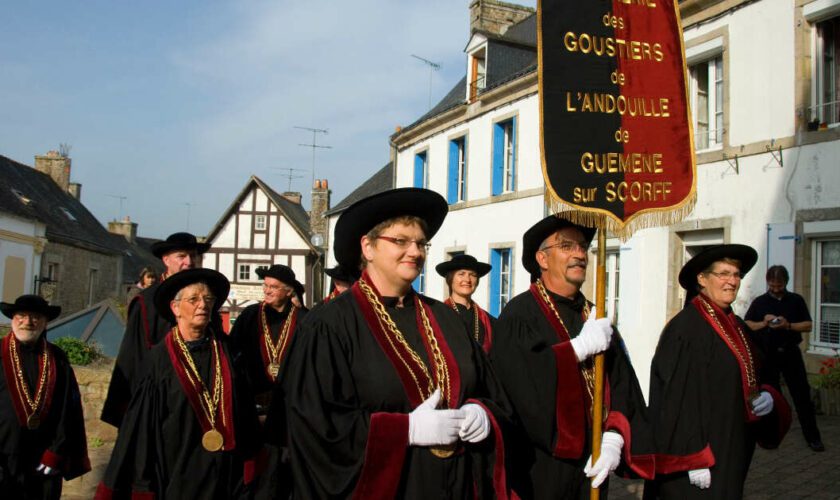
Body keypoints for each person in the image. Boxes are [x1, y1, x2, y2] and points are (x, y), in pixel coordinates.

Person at [276, 187, 515, 498]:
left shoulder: (445, 318)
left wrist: (482, 413)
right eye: (401, 241)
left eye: (421, 243)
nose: (415, 252)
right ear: (368, 247)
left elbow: (492, 391)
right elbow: (314, 427)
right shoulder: (328, 324)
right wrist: (406, 430)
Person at [490, 215, 654, 499]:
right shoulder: (520, 316)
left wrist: (615, 436)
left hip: (594, 459)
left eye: (582, 247)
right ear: (542, 258)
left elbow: (621, 381)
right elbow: (521, 389)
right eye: (567, 246)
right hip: (541, 465)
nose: (579, 254)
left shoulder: (594, 315)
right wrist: (574, 351)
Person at [95, 269, 261, 499]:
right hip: (176, 469)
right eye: (193, 299)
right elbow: (142, 428)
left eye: (208, 299)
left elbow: (244, 409)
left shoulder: (226, 351)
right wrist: (144, 483)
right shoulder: (159, 360)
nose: (202, 305)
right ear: (175, 308)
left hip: (225, 472)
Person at [644, 245, 791, 499]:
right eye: (723, 274)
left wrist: (767, 394)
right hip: (697, 455)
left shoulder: (736, 325)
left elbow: (761, 369)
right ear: (702, 279)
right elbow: (675, 400)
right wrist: (692, 456)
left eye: (736, 275)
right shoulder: (686, 328)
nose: (732, 281)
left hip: (731, 443)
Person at [101, 232, 211, 427]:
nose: (189, 262)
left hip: (200, 401)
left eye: (193, 256)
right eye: (181, 256)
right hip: (158, 399)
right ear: (166, 259)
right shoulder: (146, 302)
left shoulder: (207, 299)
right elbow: (132, 356)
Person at [0, 295, 90, 499]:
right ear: (13, 318)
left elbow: (68, 409)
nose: (28, 322)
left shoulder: (57, 358)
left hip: (43, 460)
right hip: (5, 457)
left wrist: (56, 453)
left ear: (45, 322)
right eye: (21, 316)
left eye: (35, 317)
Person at [229, 264, 306, 500]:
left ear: (288, 291)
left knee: (284, 471)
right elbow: (232, 354)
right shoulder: (250, 316)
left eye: (273, 287)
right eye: (265, 286)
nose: (267, 291)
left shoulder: (305, 319)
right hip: (254, 407)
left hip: (288, 410)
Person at [745, 265, 824, 452]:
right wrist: (764, 322)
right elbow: (747, 324)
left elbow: (808, 325)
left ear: (785, 282)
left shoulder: (796, 300)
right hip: (768, 355)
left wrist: (788, 326)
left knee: (802, 397)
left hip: (790, 353)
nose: (775, 288)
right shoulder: (759, 302)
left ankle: (813, 438)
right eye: (772, 285)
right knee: (770, 396)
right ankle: (771, 435)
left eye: (779, 285)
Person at [435, 254, 496, 352]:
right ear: (450, 279)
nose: (467, 280)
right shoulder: (436, 316)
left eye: (472, 275)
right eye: (461, 274)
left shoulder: (489, 321)